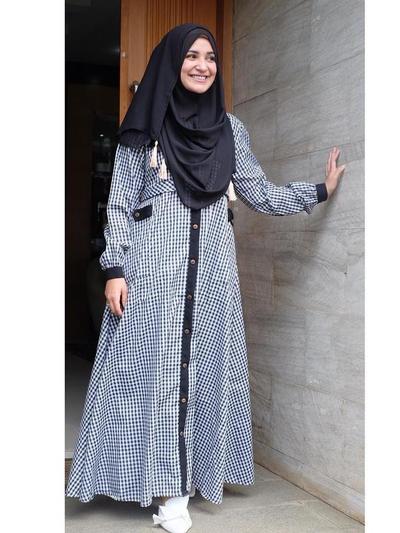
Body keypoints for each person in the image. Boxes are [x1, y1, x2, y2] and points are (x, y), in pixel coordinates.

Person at [65, 23, 345, 533]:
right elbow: (120, 204)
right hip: (153, 275)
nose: (202, 65)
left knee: (201, 375)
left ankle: (183, 482)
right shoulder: (145, 126)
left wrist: (319, 191)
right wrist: (114, 270)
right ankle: (162, 488)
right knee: (149, 377)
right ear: (173, 63)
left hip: (213, 278)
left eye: (210, 57)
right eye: (191, 56)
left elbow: (259, 192)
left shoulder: (230, 130)